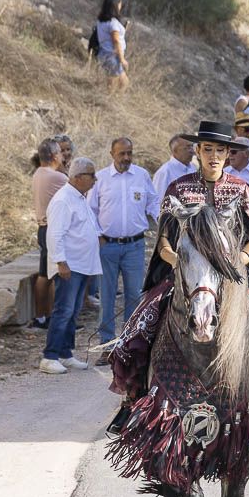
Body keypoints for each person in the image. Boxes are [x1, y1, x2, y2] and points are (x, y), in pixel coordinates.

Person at [105, 121, 249, 435]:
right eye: (207, 149)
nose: (213, 155)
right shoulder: (178, 189)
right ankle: (132, 400)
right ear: (197, 151)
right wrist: (181, 261)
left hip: (233, 275)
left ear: (228, 154)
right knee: (139, 326)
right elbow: (165, 242)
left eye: (219, 150)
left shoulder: (241, 189)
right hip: (184, 273)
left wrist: (236, 262)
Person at [89, 137, 157, 352]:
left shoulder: (141, 175)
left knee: (134, 295)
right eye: (122, 153)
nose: (126, 157)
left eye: (129, 153)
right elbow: (90, 209)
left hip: (135, 246)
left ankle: (128, 344)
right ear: (112, 154)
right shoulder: (100, 178)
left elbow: (153, 202)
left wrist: (164, 219)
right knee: (107, 296)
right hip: (107, 246)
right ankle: (107, 344)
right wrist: (98, 235)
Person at [41, 157, 101, 373]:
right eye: (91, 175)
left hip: (82, 264)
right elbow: (55, 234)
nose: (95, 179)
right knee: (63, 310)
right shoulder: (63, 199)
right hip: (69, 265)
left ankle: (65, 353)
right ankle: (49, 356)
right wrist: (61, 262)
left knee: (73, 311)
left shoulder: (79, 197)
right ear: (77, 177)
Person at [31, 138, 68, 330]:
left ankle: (41, 316)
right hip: (53, 229)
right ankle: (56, 318)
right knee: (56, 275)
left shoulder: (38, 173)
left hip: (42, 227)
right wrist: (63, 168)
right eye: (61, 153)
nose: (63, 156)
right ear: (54, 156)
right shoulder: (57, 177)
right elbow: (77, 190)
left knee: (44, 274)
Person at [95, 0, 129, 92]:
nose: (120, 7)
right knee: (114, 85)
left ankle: (114, 100)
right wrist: (122, 59)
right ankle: (109, 102)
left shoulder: (101, 21)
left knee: (123, 81)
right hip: (112, 56)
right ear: (114, 6)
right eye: (119, 4)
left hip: (103, 54)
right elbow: (116, 41)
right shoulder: (113, 23)